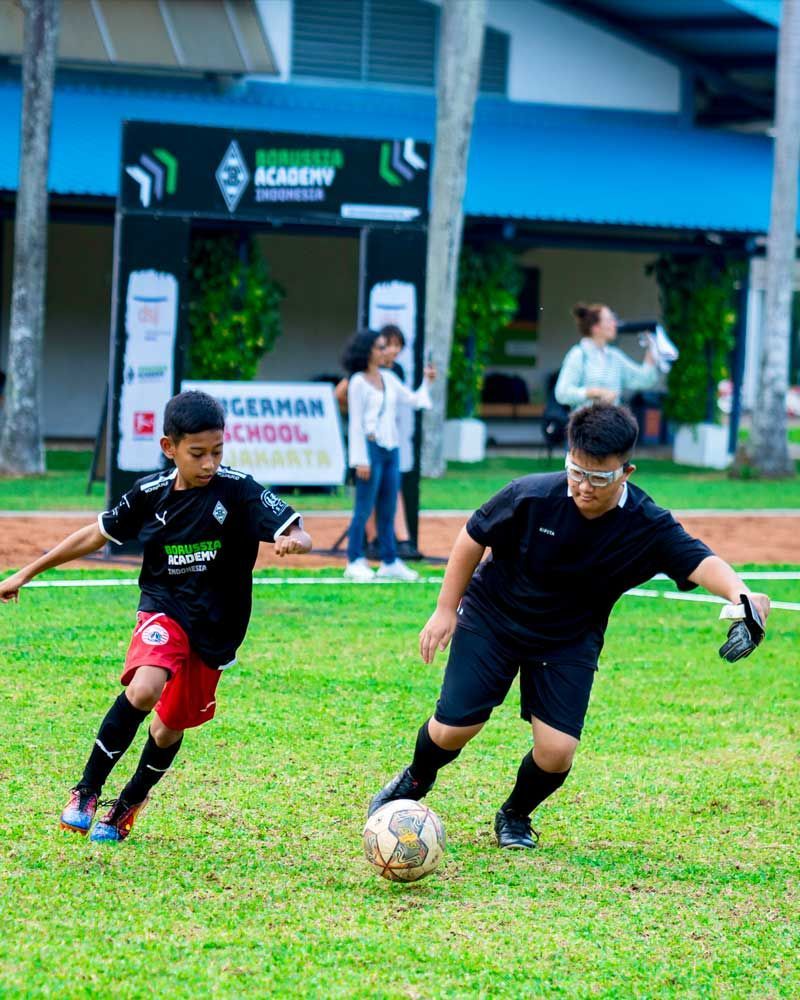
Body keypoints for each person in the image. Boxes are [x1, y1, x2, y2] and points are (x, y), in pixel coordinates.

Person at [367, 403, 769, 849]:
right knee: (454, 728)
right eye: (575, 471)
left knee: (557, 753)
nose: (583, 486)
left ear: (626, 472)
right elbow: (472, 537)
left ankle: (515, 815)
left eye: (599, 478)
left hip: (568, 639)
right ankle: (416, 780)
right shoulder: (532, 495)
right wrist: (446, 608)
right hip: (493, 618)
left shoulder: (646, 525)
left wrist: (744, 597)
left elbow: (700, 561)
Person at [0, 390, 312, 843]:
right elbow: (95, 534)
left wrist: (295, 542)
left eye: (218, 452)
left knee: (168, 729)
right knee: (145, 687)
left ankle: (127, 803)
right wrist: (25, 573)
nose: (209, 464)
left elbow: (296, 530)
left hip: (218, 629)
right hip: (165, 607)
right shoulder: (150, 493)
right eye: (198, 453)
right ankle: (87, 790)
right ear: (170, 448)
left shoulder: (238, 489)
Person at [343, 328, 435, 582]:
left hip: (391, 449)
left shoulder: (389, 378)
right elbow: (356, 424)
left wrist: (427, 382)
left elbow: (415, 400)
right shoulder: (358, 382)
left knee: (388, 506)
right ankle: (354, 559)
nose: (386, 352)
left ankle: (390, 560)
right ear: (368, 351)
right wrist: (360, 459)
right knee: (364, 507)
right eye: (380, 347)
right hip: (370, 450)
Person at [555, 302, 658, 410]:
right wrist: (595, 392)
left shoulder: (615, 356)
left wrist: (651, 348)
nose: (615, 324)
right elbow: (562, 393)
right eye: (610, 320)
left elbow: (645, 379)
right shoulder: (579, 354)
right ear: (596, 328)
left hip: (612, 424)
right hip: (586, 424)